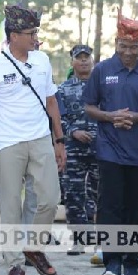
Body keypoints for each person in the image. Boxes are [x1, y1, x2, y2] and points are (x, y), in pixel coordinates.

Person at [0, 5, 66, 275]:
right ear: (13, 35)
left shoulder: (43, 61)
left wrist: (59, 140)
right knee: (10, 206)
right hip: (7, 144)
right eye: (31, 33)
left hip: (40, 139)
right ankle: (15, 266)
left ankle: (34, 247)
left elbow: (51, 102)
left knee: (50, 198)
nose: (36, 38)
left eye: (36, 32)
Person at [82, 10, 138, 275]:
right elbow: (89, 106)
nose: (128, 52)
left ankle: (132, 264)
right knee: (110, 207)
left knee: (134, 209)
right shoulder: (103, 70)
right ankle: (112, 263)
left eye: (133, 47)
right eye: (123, 46)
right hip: (109, 149)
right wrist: (110, 116)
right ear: (116, 43)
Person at [57, 44, 99, 256]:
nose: (83, 61)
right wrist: (73, 132)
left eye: (86, 57)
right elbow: (58, 118)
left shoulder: (102, 86)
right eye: (79, 58)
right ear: (72, 62)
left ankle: (100, 240)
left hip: (100, 147)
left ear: (92, 60)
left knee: (100, 194)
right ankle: (79, 240)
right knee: (73, 194)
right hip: (73, 148)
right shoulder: (63, 89)